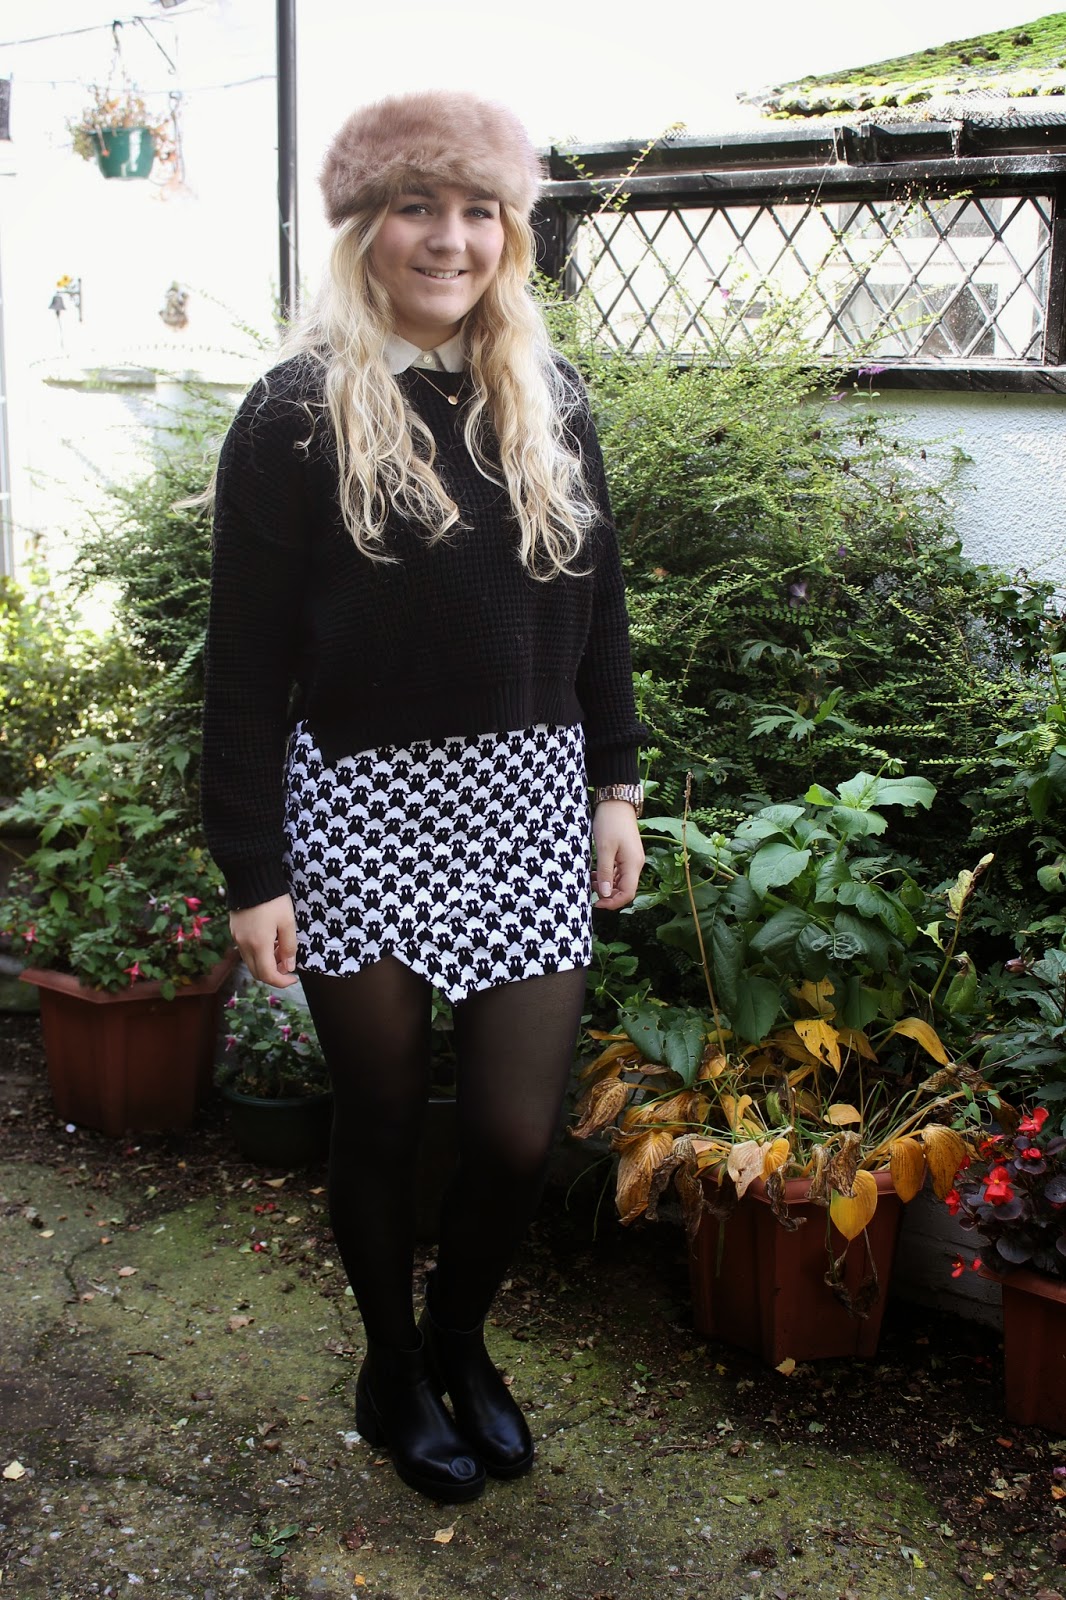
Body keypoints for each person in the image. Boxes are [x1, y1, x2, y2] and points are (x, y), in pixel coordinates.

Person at [201, 90, 644, 1504]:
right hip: (357, 809)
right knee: (382, 1118)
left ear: (509, 230)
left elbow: (600, 610)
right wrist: (253, 869)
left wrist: (615, 783)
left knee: (513, 1133)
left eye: (476, 211)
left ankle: (461, 1339)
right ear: (363, 229)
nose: (449, 240)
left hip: (526, 797)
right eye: (415, 207)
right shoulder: (294, 413)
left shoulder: (549, 396)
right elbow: (244, 663)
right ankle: (391, 1367)